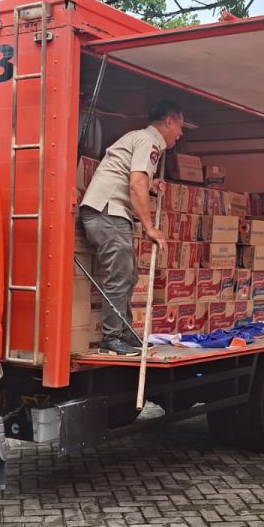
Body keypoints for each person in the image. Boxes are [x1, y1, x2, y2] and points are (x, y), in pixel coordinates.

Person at [79, 101, 185, 355]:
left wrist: (151, 183)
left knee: (128, 275)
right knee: (120, 274)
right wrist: (150, 227)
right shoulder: (149, 141)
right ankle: (112, 337)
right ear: (168, 122)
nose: (180, 134)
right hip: (108, 212)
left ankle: (124, 331)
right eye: (180, 127)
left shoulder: (140, 139)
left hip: (108, 211)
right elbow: (135, 183)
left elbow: (132, 177)